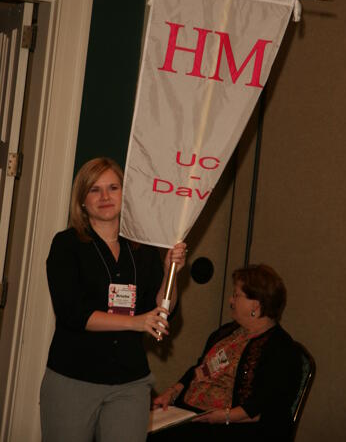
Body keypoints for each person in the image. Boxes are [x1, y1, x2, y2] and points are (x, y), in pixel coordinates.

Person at [40, 157, 187, 442]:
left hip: (130, 384)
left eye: (113, 188)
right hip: (74, 379)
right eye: (94, 190)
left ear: (125, 193)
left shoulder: (143, 250)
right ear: (82, 200)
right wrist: (136, 323)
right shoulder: (66, 245)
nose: (105, 196)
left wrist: (172, 272)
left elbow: (161, 312)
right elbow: (74, 313)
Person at [151, 264, 302, 442]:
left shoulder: (281, 349)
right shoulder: (227, 332)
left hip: (235, 427)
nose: (231, 300)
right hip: (192, 414)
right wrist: (172, 392)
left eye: (236, 295)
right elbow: (200, 368)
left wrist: (224, 416)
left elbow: (268, 406)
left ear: (256, 304)